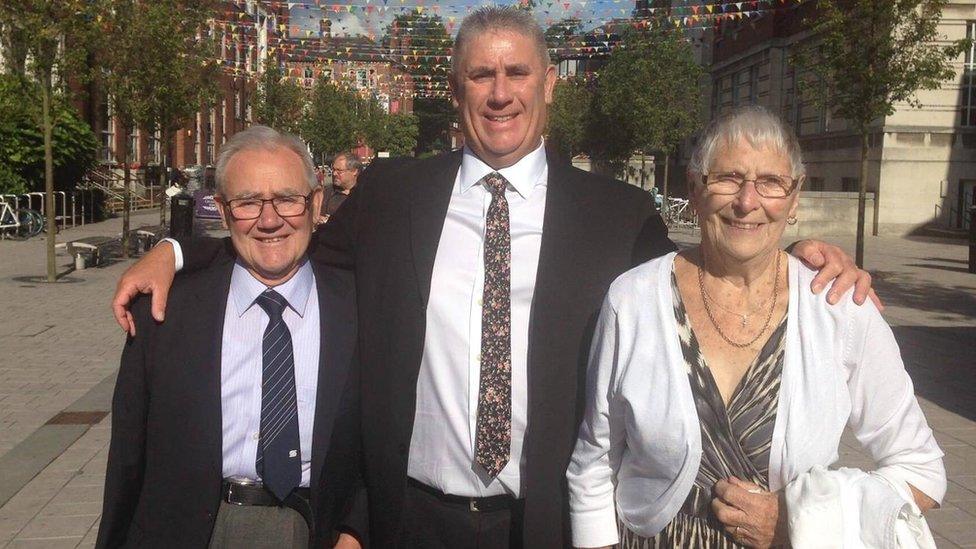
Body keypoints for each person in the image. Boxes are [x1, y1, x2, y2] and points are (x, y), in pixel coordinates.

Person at [110, 9, 875, 548]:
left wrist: (798, 254)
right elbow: (281, 240)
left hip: (548, 518)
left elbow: (702, 272)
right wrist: (178, 253)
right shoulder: (394, 194)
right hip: (411, 515)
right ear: (458, 88)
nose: (500, 92)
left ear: (548, 85)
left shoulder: (619, 215)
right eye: (482, 74)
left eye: (516, 73)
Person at [566, 106, 945, 549]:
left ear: (795, 196)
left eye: (771, 182)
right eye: (728, 178)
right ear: (694, 188)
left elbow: (922, 470)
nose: (748, 202)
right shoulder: (632, 299)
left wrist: (803, 521)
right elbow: (595, 460)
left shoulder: (840, 308)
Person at [96, 127, 364, 549]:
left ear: (315, 203)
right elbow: (128, 458)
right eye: (248, 202)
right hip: (194, 528)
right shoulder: (164, 312)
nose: (270, 219)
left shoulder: (360, 308)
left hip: (318, 529)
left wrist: (357, 530)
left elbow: (385, 436)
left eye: (288, 199)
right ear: (222, 211)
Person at [318, 151, 362, 224]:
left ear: (354, 171)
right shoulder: (326, 192)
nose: (334, 173)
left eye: (339, 171)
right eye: (333, 169)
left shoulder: (365, 194)